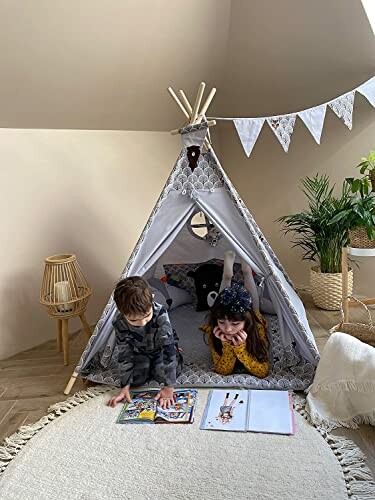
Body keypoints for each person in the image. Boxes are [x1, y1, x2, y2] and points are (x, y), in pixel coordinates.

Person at [106, 276, 183, 409]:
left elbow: (167, 349)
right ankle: (148, 366)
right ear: (122, 313)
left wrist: (169, 388)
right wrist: (125, 387)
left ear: (151, 300)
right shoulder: (119, 322)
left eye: (147, 316)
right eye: (134, 321)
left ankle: (178, 355)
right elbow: (125, 354)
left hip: (162, 349)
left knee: (164, 373)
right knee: (136, 380)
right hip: (141, 352)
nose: (142, 323)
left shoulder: (160, 313)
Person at [202, 251, 269, 378]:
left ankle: (246, 270)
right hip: (227, 312)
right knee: (223, 301)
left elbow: (262, 371)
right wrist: (227, 346)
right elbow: (222, 370)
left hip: (250, 315)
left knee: (254, 307)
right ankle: (227, 276)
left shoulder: (257, 328)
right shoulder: (214, 331)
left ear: (246, 322)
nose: (227, 329)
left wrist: (240, 348)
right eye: (221, 322)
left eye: (235, 324)